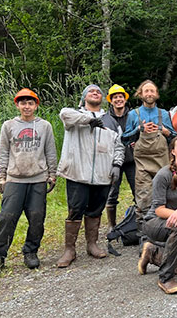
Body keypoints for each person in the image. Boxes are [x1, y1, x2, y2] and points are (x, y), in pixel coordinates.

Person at [0, 89, 57, 277]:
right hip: (15, 179)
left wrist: (52, 174)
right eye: (23, 103)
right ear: (17, 105)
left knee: (36, 217)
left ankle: (30, 251)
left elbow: (50, 151)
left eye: (30, 103)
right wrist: (2, 177)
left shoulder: (45, 126)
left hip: (38, 179)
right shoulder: (8, 126)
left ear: (36, 105)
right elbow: (3, 153)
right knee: (7, 217)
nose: (27, 106)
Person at [56, 85, 125, 268]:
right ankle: (69, 249)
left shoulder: (110, 121)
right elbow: (64, 114)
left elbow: (119, 145)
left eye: (98, 91)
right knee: (75, 209)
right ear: (84, 97)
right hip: (78, 172)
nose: (95, 92)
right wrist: (89, 120)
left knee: (96, 209)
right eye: (91, 91)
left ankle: (92, 244)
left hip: (103, 173)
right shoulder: (73, 114)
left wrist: (117, 165)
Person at [138, 135, 177, 294]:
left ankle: (152, 253)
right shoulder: (163, 175)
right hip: (156, 222)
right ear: (173, 151)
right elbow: (159, 209)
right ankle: (165, 278)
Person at [122, 80, 176, 233]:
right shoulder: (133, 114)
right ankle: (145, 236)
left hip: (162, 164)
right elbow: (125, 139)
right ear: (140, 94)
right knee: (144, 200)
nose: (149, 93)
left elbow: (174, 138)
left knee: (166, 197)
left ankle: (167, 232)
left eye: (152, 91)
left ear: (157, 94)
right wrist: (139, 129)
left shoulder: (164, 114)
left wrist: (167, 132)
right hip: (143, 166)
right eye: (146, 91)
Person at [105, 84, 136, 232]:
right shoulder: (105, 118)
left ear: (125, 99)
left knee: (138, 190)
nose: (118, 99)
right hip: (112, 162)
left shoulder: (133, 115)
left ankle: (140, 221)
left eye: (120, 97)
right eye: (115, 97)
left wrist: (138, 141)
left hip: (131, 160)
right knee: (112, 193)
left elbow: (140, 133)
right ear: (110, 100)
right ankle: (112, 225)